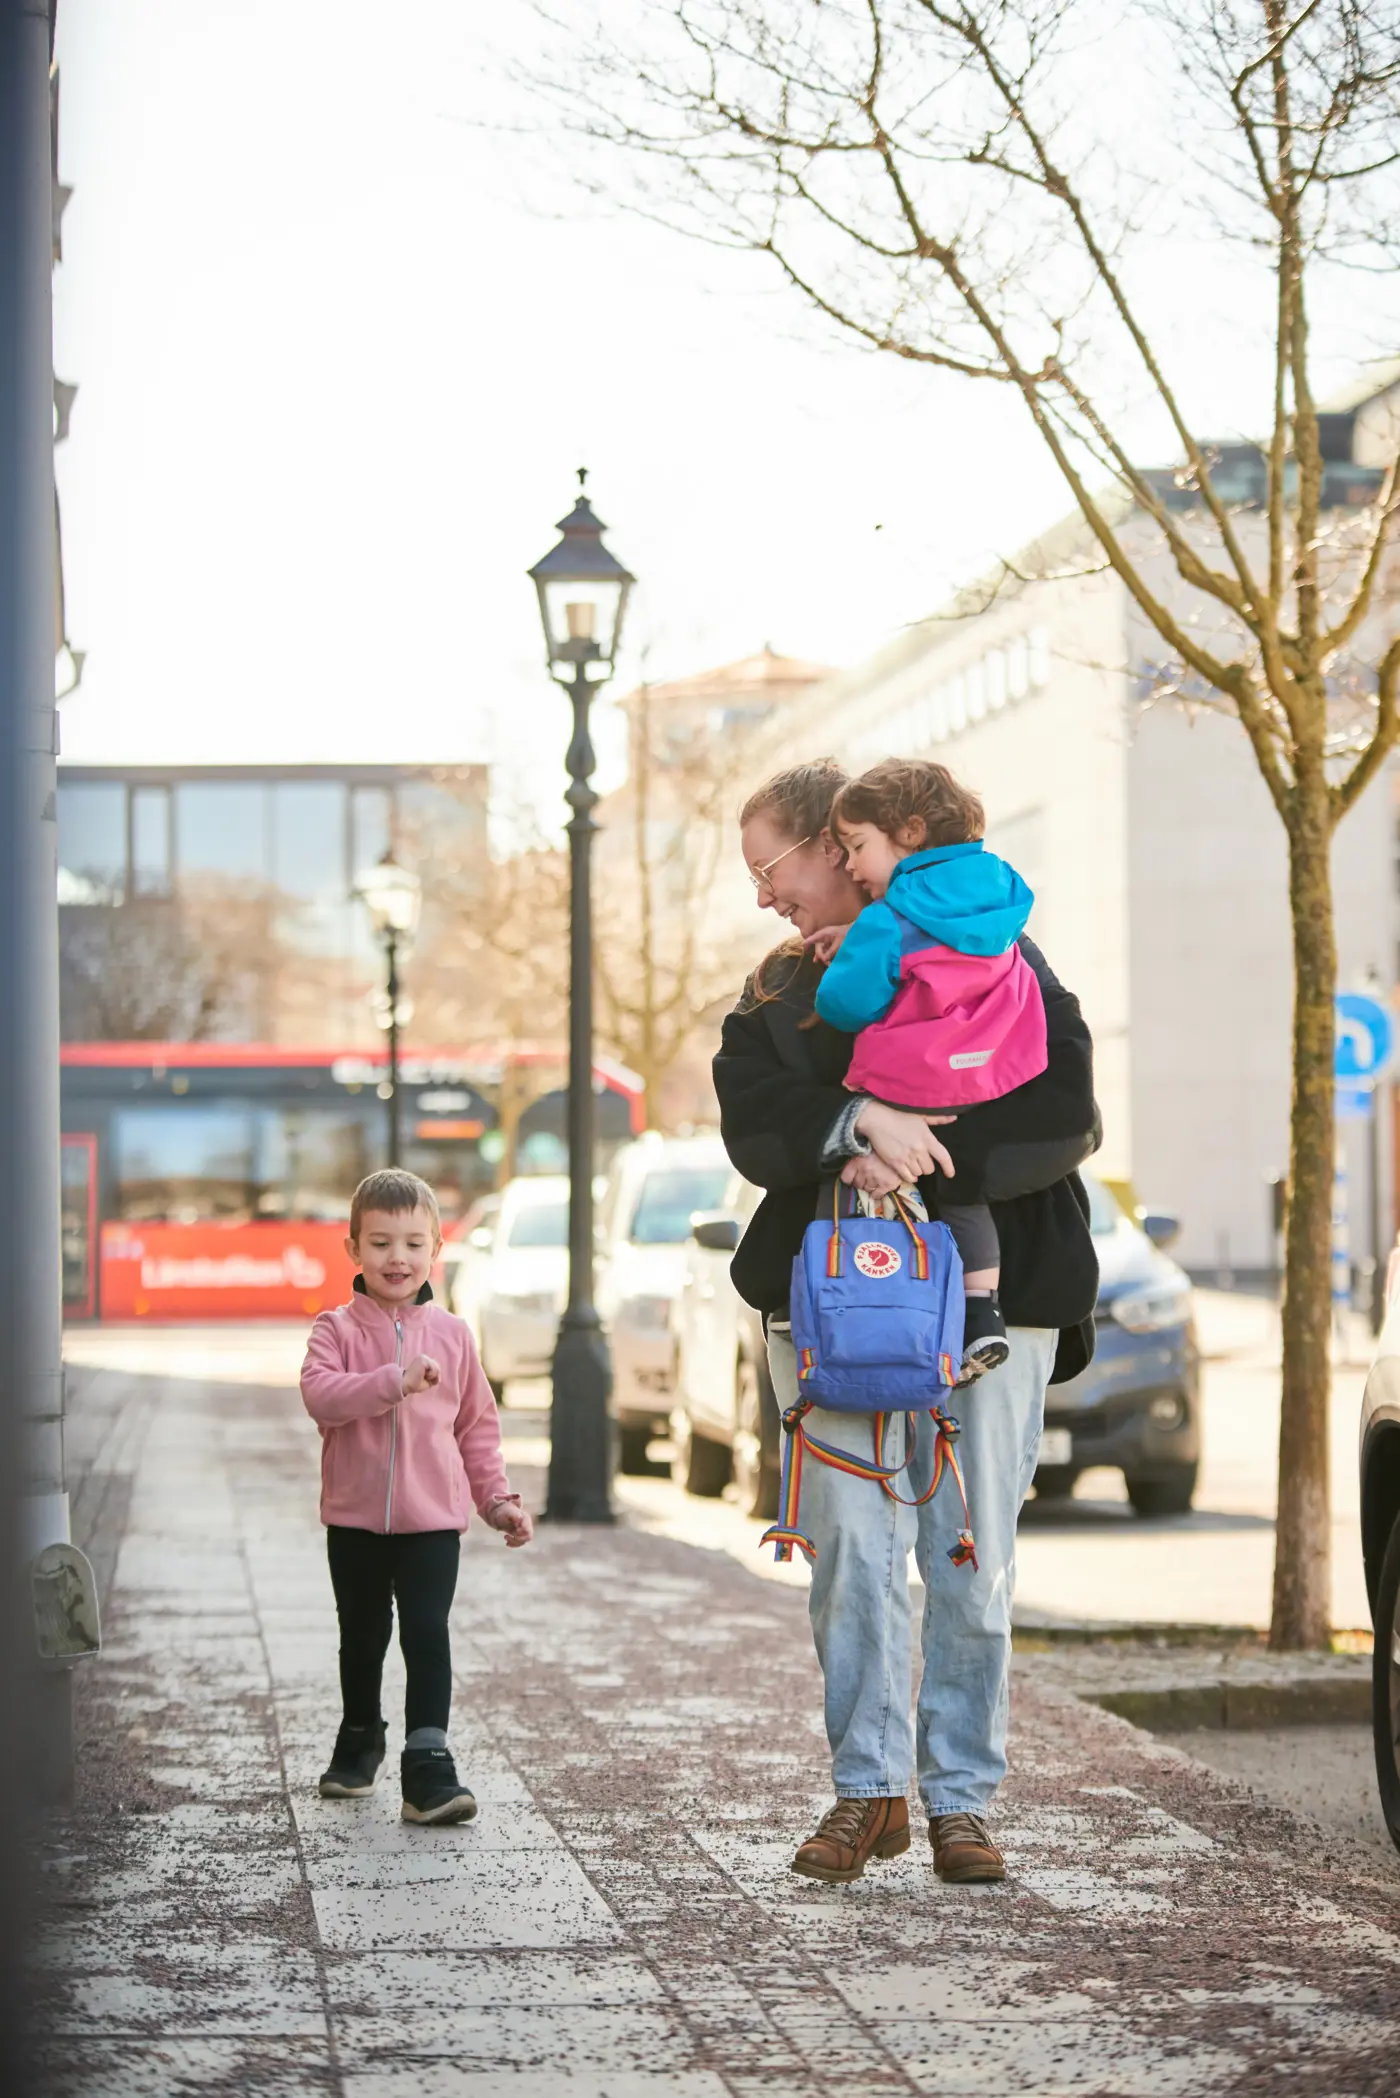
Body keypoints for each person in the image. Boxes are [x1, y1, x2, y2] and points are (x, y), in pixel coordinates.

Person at [714, 759, 1100, 1887]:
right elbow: (753, 1121)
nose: (763, 897)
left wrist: (915, 1150)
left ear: (838, 849)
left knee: (968, 1557)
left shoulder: (998, 955)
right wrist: (853, 1122)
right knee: (851, 1556)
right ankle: (868, 1788)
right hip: (831, 1306)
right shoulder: (775, 992)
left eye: (771, 869)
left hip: (995, 1304)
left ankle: (961, 1801)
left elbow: (1064, 1110)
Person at [812, 757, 1092, 1383]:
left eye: (857, 847)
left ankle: (882, 1291)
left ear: (909, 833)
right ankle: (981, 1309)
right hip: (999, 1065)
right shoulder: (998, 895)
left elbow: (844, 1004)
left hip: (920, 1074)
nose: (851, 866)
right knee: (965, 1194)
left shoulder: (888, 917)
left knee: (867, 1143)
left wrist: (854, 954)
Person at [300, 1168, 533, 1826]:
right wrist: (391, 1382)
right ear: (353, 1249)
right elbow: (321, 1396)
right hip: (355, 1524)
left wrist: (496, 1501)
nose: (396, 1258)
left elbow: (476, 1429)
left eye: (412, 1244)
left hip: (432, 1524)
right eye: (379, 1243)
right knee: (362, 1635)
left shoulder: (454, 1336)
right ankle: (359, 1737)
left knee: (427, 1633)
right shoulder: (334, 1331)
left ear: (436, 1249)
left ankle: (428, 1766)